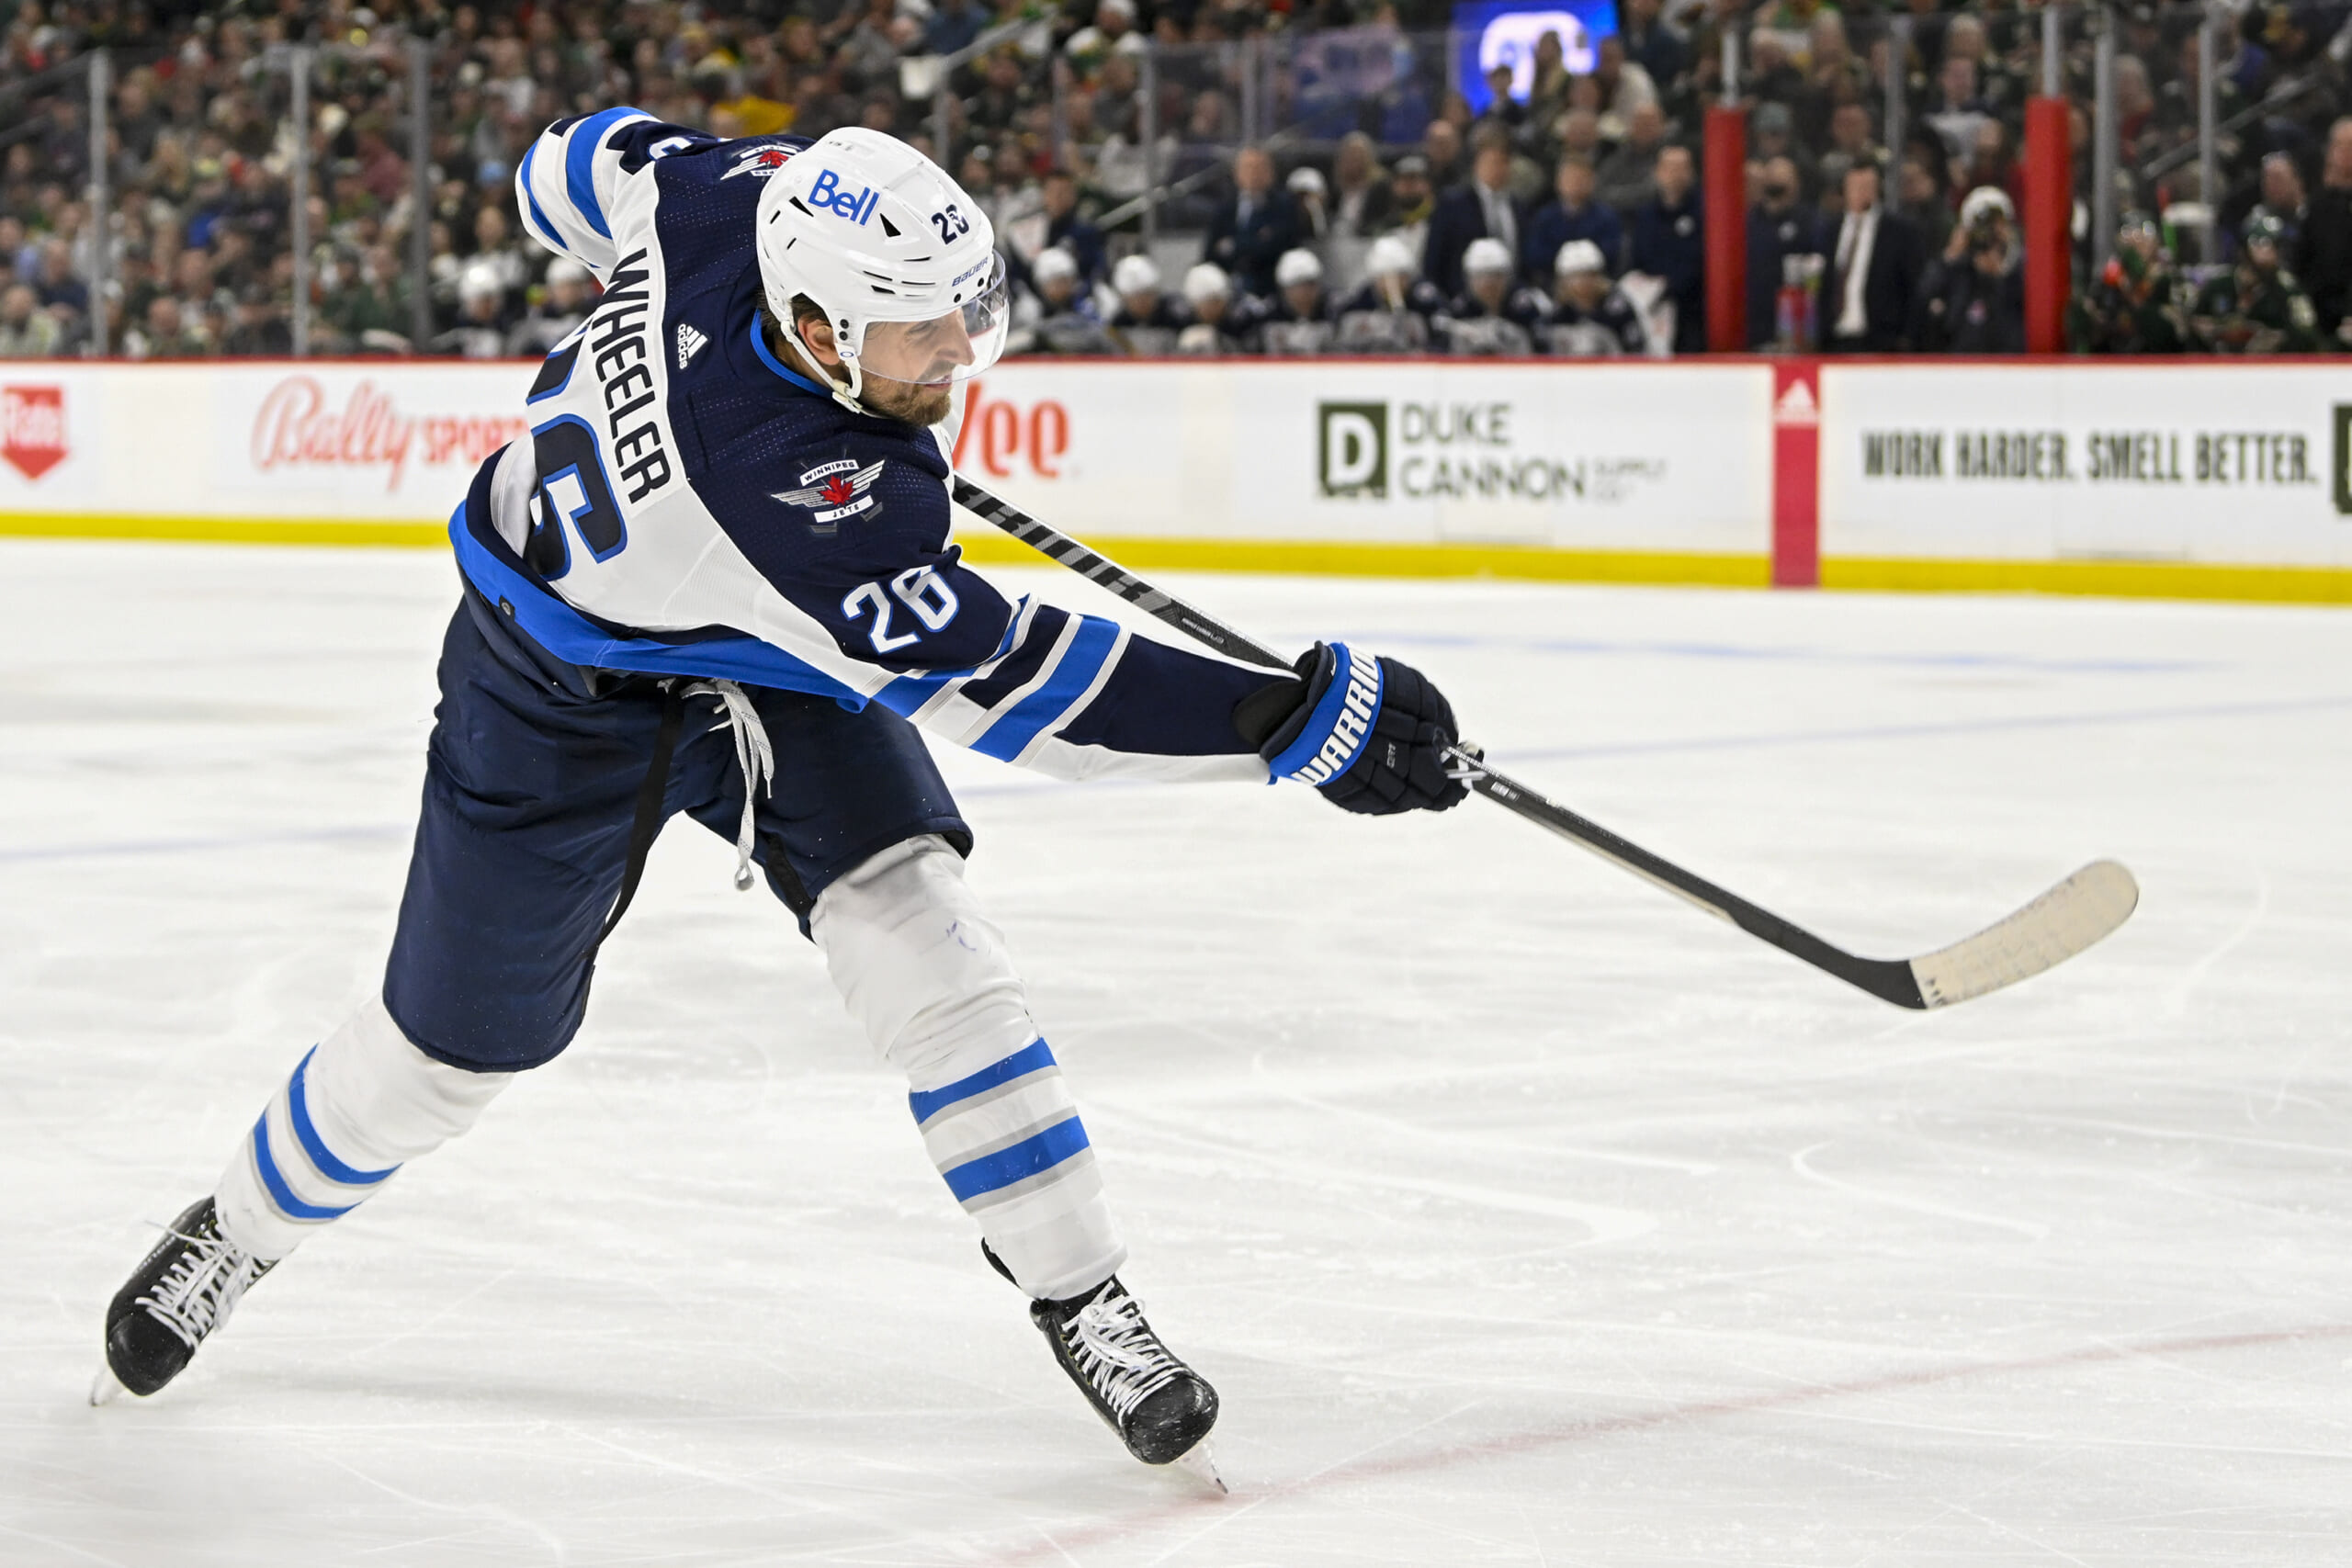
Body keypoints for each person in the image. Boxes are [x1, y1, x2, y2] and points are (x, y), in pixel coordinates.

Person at [95, 120, 1468, 1489]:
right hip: (558, 685)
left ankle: (1081, 1288)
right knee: (443, 1053)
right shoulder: (793, 499)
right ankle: (237, 1226)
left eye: (962, 318)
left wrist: (616, 274)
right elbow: (1024, 685)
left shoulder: (729, 189)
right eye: (914, 335)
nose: (952, 358)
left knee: (922, 935)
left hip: (760, 652)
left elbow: (559, 164)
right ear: (813, 327)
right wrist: (1290, 724)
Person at [1818, 158, 1925, 352]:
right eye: (1855, 185)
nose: (1861, 191)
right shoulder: (1830, 231)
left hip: (1881, 342)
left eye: (1867, 185)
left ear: (1877, 189)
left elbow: (1914, 288)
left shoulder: (1899, 232)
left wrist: (1907, 337)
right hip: (1835, 342)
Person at [2191, 210, 2321, 353]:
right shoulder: (2220, 286)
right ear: (2244, 250)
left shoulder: (2288, 290)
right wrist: (2211, 331)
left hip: (2272, 369)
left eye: (2275, 247)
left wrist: (2281, 339)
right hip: (2217, 368)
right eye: (2261, 245)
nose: (2269, 254)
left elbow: (2308, 336)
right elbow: (2192, 326)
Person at [1423, 122, 1525, 300]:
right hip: (1460, 303)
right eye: (1492, 162)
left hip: (1509, 303)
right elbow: (1434, 260)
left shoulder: (1517, 206)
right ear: (1477, 164)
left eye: (1504, 162)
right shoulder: (1453, 204)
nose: (1499, 169)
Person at [1921, 185, 2025, 353]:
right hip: (1961, 361)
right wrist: (1950, 257)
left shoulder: (2019, 268)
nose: (1989, 233)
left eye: (1997, 224)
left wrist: (2003, 271)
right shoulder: (1958, 271)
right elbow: (1924, 297)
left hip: (2009, 361)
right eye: (1983, 226)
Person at [2069, 211, 2190, 354]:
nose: (2137, 243)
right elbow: (2098, 312)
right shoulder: (2112, 276)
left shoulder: (2167, 278)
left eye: (2144, 237)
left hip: (2160, 357)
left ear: (2155, 242)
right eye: (2129, 236)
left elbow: (2178, 325)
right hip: (2115, 355)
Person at [1628, 143, 1704, 353]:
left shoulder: (1704, 212)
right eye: (1670, 168)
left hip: (1693, 311)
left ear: (1692, 173)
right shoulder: (1646, 215)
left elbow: (1699, 259)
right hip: (1652, 307)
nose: (1675, 175)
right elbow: (1639, 256)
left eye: (1682, 168)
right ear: (1658, 172)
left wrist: (1672, 285)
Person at [1202, 145, 1301, 299]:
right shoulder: (1224, 209)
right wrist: (1257, 240)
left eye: (1260, 168)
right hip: (1228, 290)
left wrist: (1233, 246)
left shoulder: (1284, 206)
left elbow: (1279, 247)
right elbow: (1210, 253)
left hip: (1271, 288)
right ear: (1236, 173)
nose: (1254, 174)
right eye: (1248, 168)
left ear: (1271, 173)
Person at [1745, 154, 1821, 347]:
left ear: (1796, 184)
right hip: (1755, 322)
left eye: (1784, 178)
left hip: (1796, 324)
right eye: (1773, 178)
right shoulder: (1749, 222)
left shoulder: (1809, 221)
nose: (1777, 184)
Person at [1332, 233, 1445, 353]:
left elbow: (1440, 344)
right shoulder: (1356, 306)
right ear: (1375, 279)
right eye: (1384, 278)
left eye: (1401, 277)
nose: (1393, 285)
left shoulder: (1426, 304)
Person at [1522, 155, 1623, 282]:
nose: (1575, 184)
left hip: (1595, 283)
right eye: (1571, 178)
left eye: (1581, 178)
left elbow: (1610, 254)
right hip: (1553, 282)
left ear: (1592, 182)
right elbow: (1535, 255)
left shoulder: (1607, 217)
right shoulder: (1544, 217)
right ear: (1558, 182)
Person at [1540, 240, 1649, 356]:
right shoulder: (1559, 312)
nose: (1582, 283)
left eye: (1589, 275)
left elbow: (1636, 350)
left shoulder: (1617, 309)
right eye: (1574, 276)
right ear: (1562, 281)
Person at [1437, 236, 1543, 355]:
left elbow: (1542, 349)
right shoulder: (1458, 311)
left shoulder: (1524, 310)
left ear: (1508, 277)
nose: (1489, 284)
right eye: (1481, 276)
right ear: (1468, 279)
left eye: (1496, 276)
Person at [2300, 117, 2352, 343]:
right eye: (2335, 145)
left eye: (2345, 146)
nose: (2336, 152)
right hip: (2322, 309)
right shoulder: (2318, 204)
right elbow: (2304, 256)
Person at [1252, 247, 1337, 354]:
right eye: (1299, 286)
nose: (1306, 292)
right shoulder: (1266, 319)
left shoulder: (1332, 314)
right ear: (1285, 289)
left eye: (1311, 285)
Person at [1105, 253, 1190, 354]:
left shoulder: (1174, 318)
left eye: (1148, 295)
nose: (1142, 303)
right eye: (1136, 298)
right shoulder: (1118, 323)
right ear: (1124, 299)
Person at [1174, 261, 1254, 354]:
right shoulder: (1181, 320)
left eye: (1218, 301)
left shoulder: (1241, 321)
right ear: (1194, 304)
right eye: (1208, 304)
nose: (1214, 309)